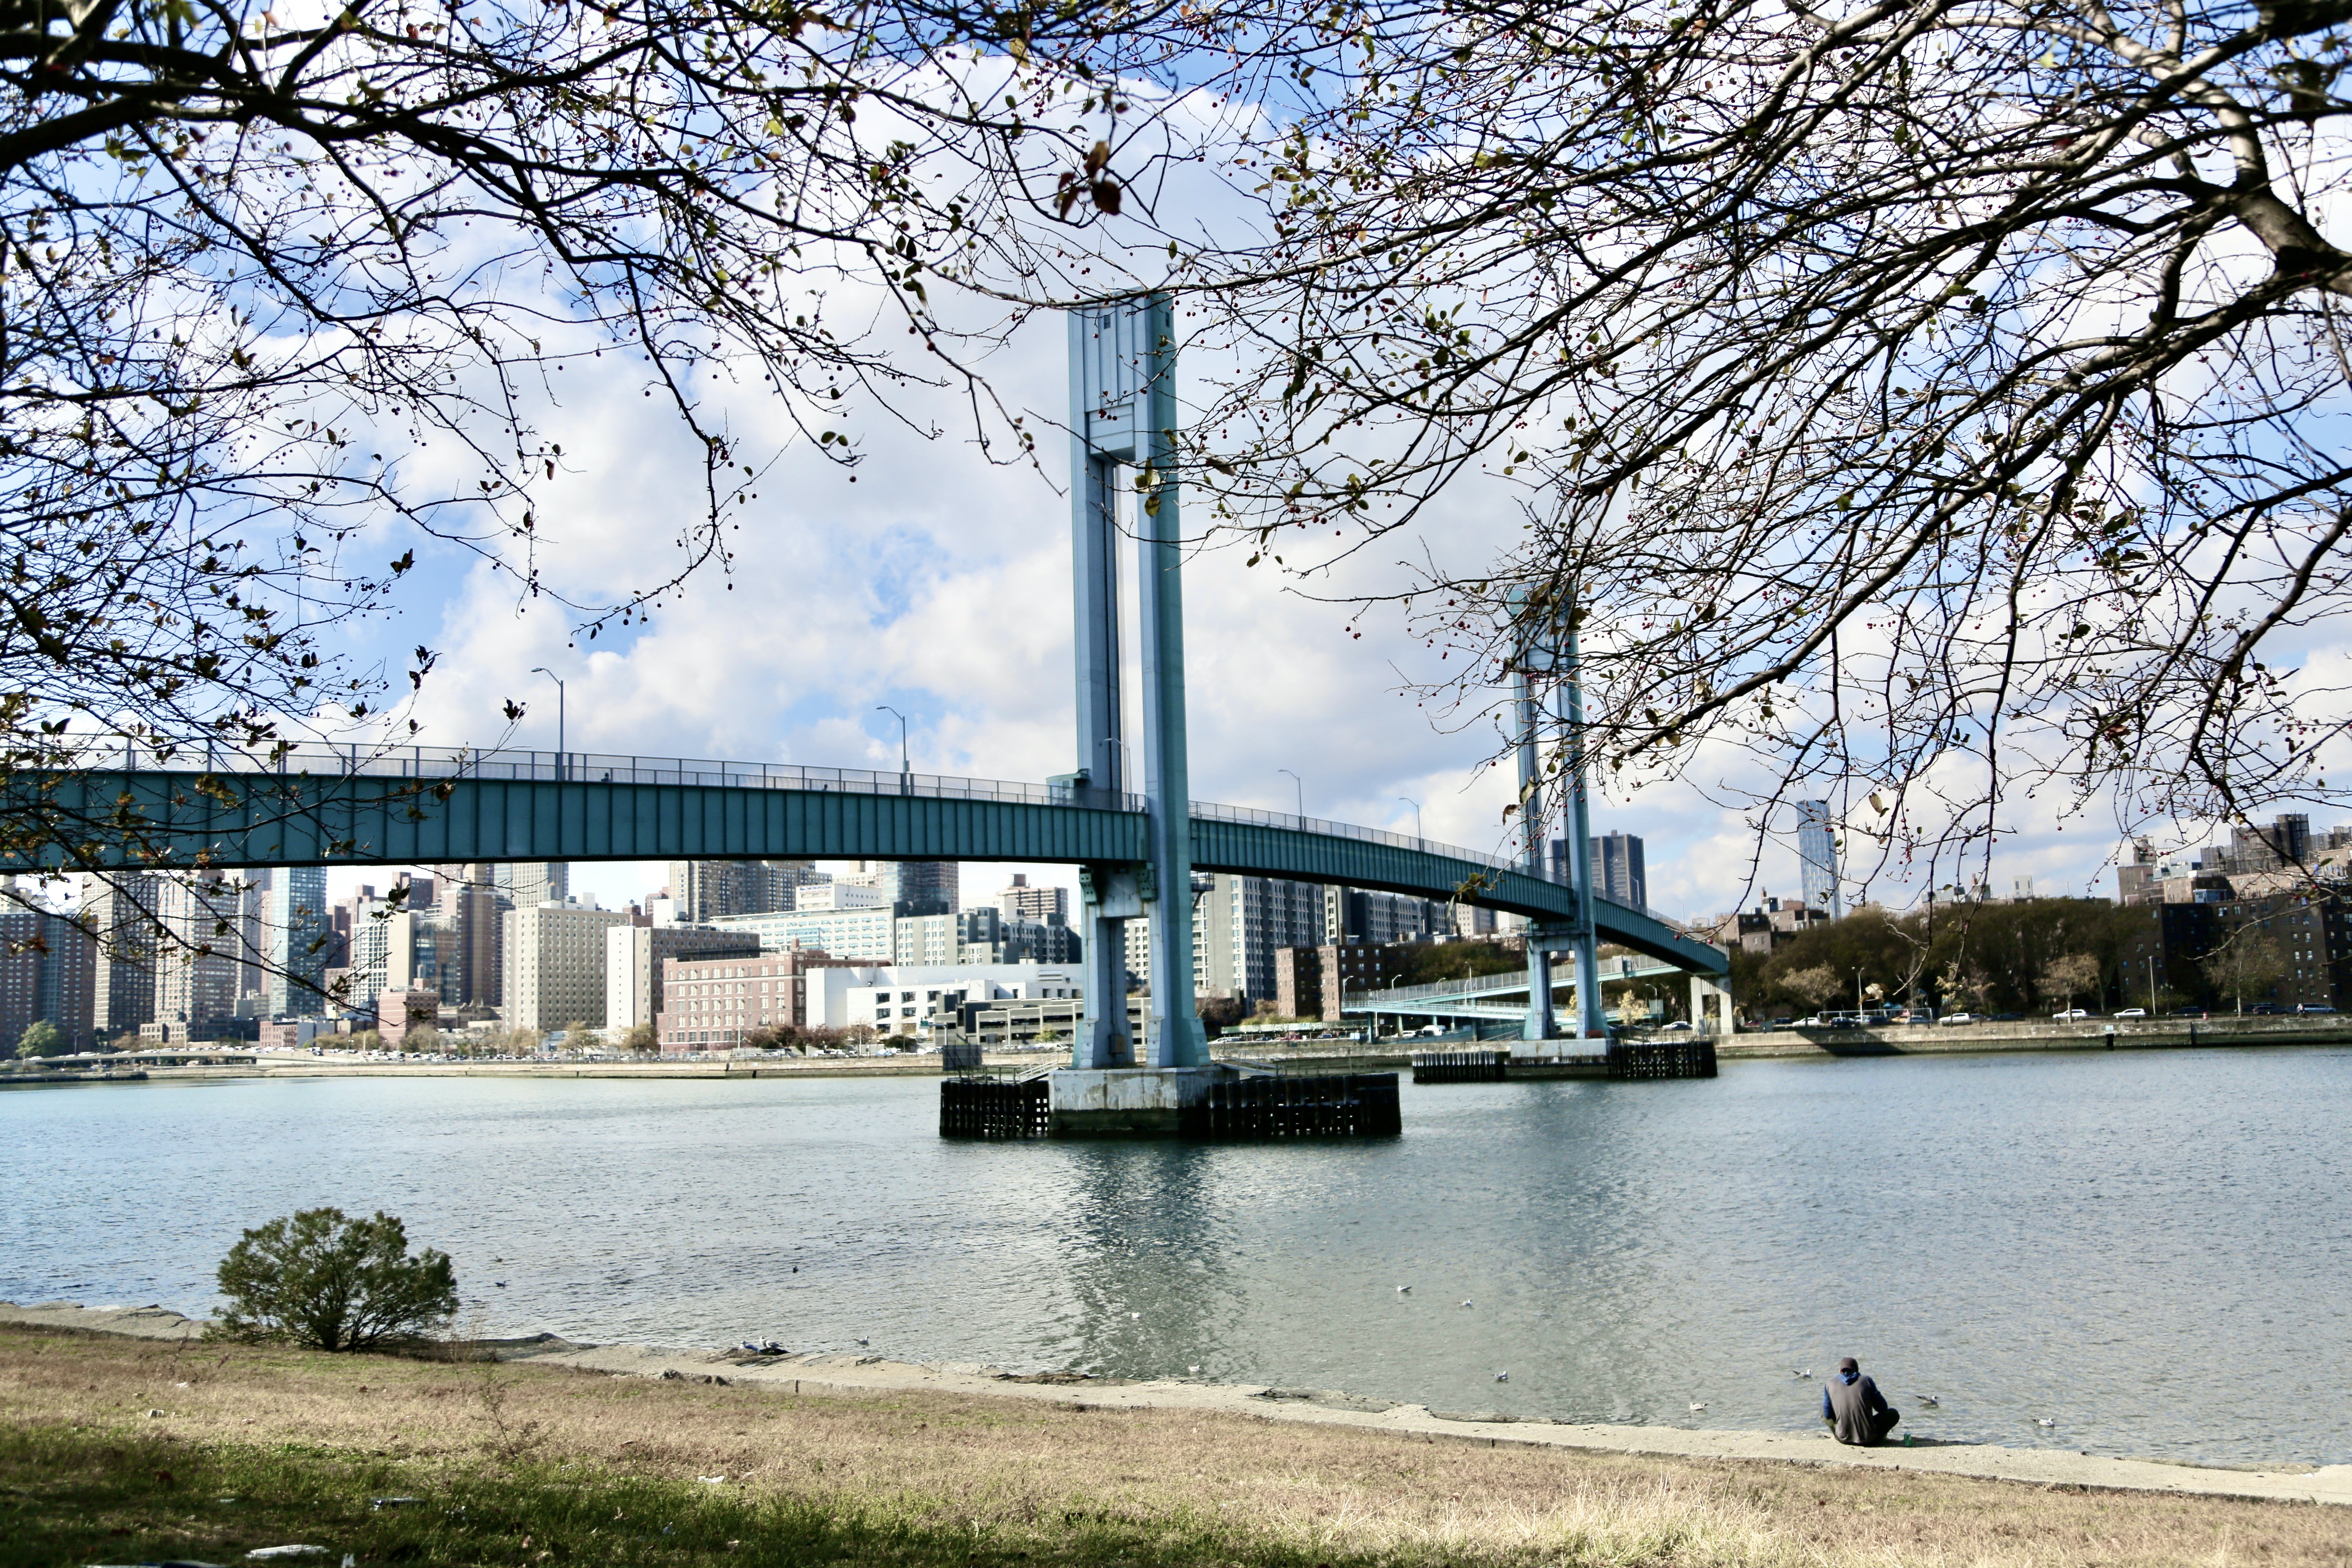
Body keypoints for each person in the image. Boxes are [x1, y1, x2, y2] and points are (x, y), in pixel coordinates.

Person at [1821, 1356, 1900, 1446]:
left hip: (1844, 1439)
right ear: (1858, 1371)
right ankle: (1878, 1436)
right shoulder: (1867, 1380)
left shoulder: (1829, 1383)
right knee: (1893, 1414)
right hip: (1869, 1440)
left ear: (1840, 1372)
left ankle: (1842, 1430)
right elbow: (1883, 1408)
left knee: (1823, 1410)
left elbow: (1828, 1415)